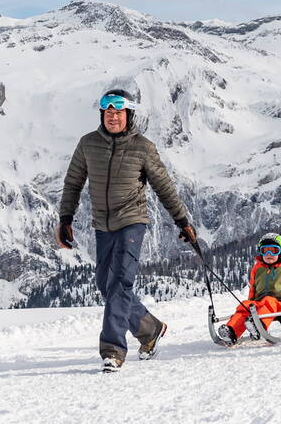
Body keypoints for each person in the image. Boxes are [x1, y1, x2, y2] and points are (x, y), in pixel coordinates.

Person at [56, 89, 198, 372]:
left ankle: (112, 350)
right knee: (104, 286)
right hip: (102, 225)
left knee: (120, 283)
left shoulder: (142, 147)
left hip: (132, 221)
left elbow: (164, 186)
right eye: (108, 112)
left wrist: (182, 221)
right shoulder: (88, 144)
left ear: (128, 115)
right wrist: (65, 218)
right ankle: (149, 329)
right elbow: (73, 183)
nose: (112, 116)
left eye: (118, 112)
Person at [217, 233, 281, 345]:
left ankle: (258, 327)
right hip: (259, 303)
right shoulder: (257, 268)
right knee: (244, 305)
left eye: (273, 251)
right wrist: (250, 304)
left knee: (269, 301)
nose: (269, 254)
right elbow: (253, 288)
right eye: (265, 251)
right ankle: (232, 331)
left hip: (280, 303)